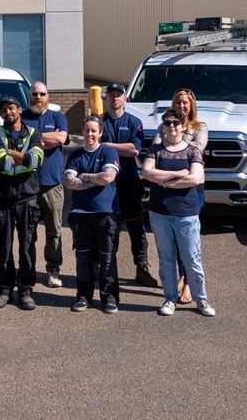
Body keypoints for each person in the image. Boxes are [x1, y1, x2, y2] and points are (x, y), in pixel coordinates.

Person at [141, 108, 215, 317]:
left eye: (176, 122)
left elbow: (195, 178)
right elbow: (147, 172)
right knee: (166, 259)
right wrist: (177, 175)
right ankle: (170, 298)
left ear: (183, 126)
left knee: (192, 259)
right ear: (163, 127)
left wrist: (163, 181)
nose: (172, 126)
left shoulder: (193, 150)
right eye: (168, 123)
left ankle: (201, 299)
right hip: (160, 213)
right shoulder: (155, 150)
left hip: (186, 214)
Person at [0, 97, 45, 311]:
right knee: (4, 247)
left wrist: (14, 154)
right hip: (2, 200)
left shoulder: (34, 134)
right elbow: (0, 163)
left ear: (19, 110)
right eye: (3, 110)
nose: (8, 112)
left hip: (27, 198)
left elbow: (35, 161)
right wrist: (22, 157)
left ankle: (26, 289)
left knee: (27, 247)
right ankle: (4, 289)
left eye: (11, 108)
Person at [151, 88, 208, 304]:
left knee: (187, 241)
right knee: (170, 240)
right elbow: (156, 150)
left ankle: (188, 285)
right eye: (178, 102)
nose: (181, 106)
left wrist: (164, 173)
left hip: (191, 191)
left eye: (185, 103)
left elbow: (195, 148)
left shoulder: (200, 128)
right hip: (171, 186)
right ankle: (179, 278)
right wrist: (176, 171)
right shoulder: (162, 126)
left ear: (191, 106)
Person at [101, 83, 158, 287]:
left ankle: (142, 269)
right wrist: (120, 149)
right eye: (111, 95)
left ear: (125, 98)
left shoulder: (134, 122)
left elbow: (134, 149)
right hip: (107, 186)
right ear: (106, 98)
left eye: (118, 95)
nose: (115, 98)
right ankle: (108, 271)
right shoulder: (100, 122)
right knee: (110, 229)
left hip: (129, 183)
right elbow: (93, 147)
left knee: (136, 228)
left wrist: (106, 146)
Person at [63, 115, 121, 314]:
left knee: (107, 258)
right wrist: (93, 180)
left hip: (105, 213)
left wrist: (85, 177)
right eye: (87, 130)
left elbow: (108, 177)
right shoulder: (76, 155)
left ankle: (109, 298)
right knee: (83, 259)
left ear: (100, 133)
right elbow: (69, 181)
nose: (90, 134)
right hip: (81, 214)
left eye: (93, 130)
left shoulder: (108, 151)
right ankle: (83, 297)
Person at [21, 81, 69, 288]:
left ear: (48, 96)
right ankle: (28, 271)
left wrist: (34, 138)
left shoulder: (58, 117)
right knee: (27, 232)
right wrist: (43, 140)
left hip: (52, 184)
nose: (38, 97)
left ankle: (53, 269)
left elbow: (61, 138)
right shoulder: (22, 117)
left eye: (42, 94)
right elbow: (19, 141)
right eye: (34, 94)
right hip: (27, 183)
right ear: (29, 96)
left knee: (54, 231)